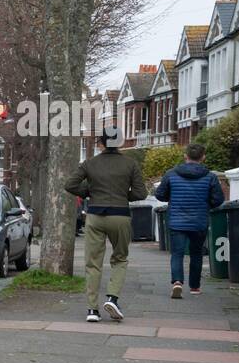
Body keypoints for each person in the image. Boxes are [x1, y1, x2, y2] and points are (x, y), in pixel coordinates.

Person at [64, 125, 146, 323]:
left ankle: (92, 310)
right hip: (120, 215)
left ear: (101, 143)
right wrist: (122, 195)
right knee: (120, 258)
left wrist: (90, 191)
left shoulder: (89, 163)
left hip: (95, 215)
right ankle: (112, 298)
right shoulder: (130, 164)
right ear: (120, 142)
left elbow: (70, 185)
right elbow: (140, 193)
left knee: (93, 263)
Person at [155, 142, 225, 298]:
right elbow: (218, 199)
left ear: (185, 156)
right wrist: (207, 204)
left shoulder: (171, 174)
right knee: (196, 254)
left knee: (177, 253)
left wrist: (170, 197)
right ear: (203, 157)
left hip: (177, 221)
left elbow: (159, 194)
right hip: (199, 221)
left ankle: (177, 282)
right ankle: (195, 287)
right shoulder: (210, 177)